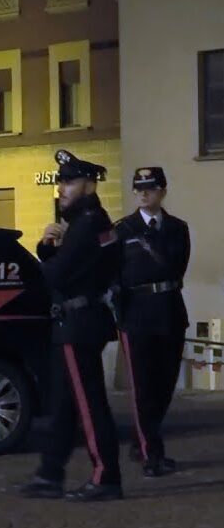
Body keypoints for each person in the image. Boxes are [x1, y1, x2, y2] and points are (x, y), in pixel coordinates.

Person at [20, 149, 123, 502]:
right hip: (80, 321)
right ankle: (50, 473)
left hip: (77, 323)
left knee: (89, 406)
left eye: (70, 181)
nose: (62, 188)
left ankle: (105, 477)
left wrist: (45, 255)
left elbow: (58, 275)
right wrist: (51, 248)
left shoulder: (87, 224)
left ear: (89, 185)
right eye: (61, 181)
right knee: (63, 406)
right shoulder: (92, 223)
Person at [116, 167, 190, 478]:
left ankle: (142, 440)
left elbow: (178, 267)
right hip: (137, 314)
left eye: (150, 187)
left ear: (162, 191)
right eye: (139, 188)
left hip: (170, 312)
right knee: (143, 387)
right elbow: (114, 272)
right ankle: (152, 455)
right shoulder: (123, 229)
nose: (143, 193)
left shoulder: (177, 228)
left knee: (164, 386)